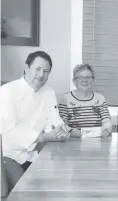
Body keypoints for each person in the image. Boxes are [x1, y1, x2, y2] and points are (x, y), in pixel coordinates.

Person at [0, 51, 70, 193]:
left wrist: (62, 131)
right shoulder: (7, 91)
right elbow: (10, 131)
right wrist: (45, 137)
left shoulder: (49, 92)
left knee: (54, 188)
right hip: (9, 155)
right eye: (37, 69)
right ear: (26, 68)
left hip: (35, 154)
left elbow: (54, 120)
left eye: (46, 71)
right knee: (26, 193)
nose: (41, 75)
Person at [58, 64, 112, 137]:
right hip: (73, 141)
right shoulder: (65, 99)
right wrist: (70, 130)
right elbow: (61, 122)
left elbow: (106, 120)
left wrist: (106, 128)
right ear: (74, 81)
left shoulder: (100, 98)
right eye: (80, 77)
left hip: (96, 140)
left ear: (93, 80)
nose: (85, 80)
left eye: (88, 77)